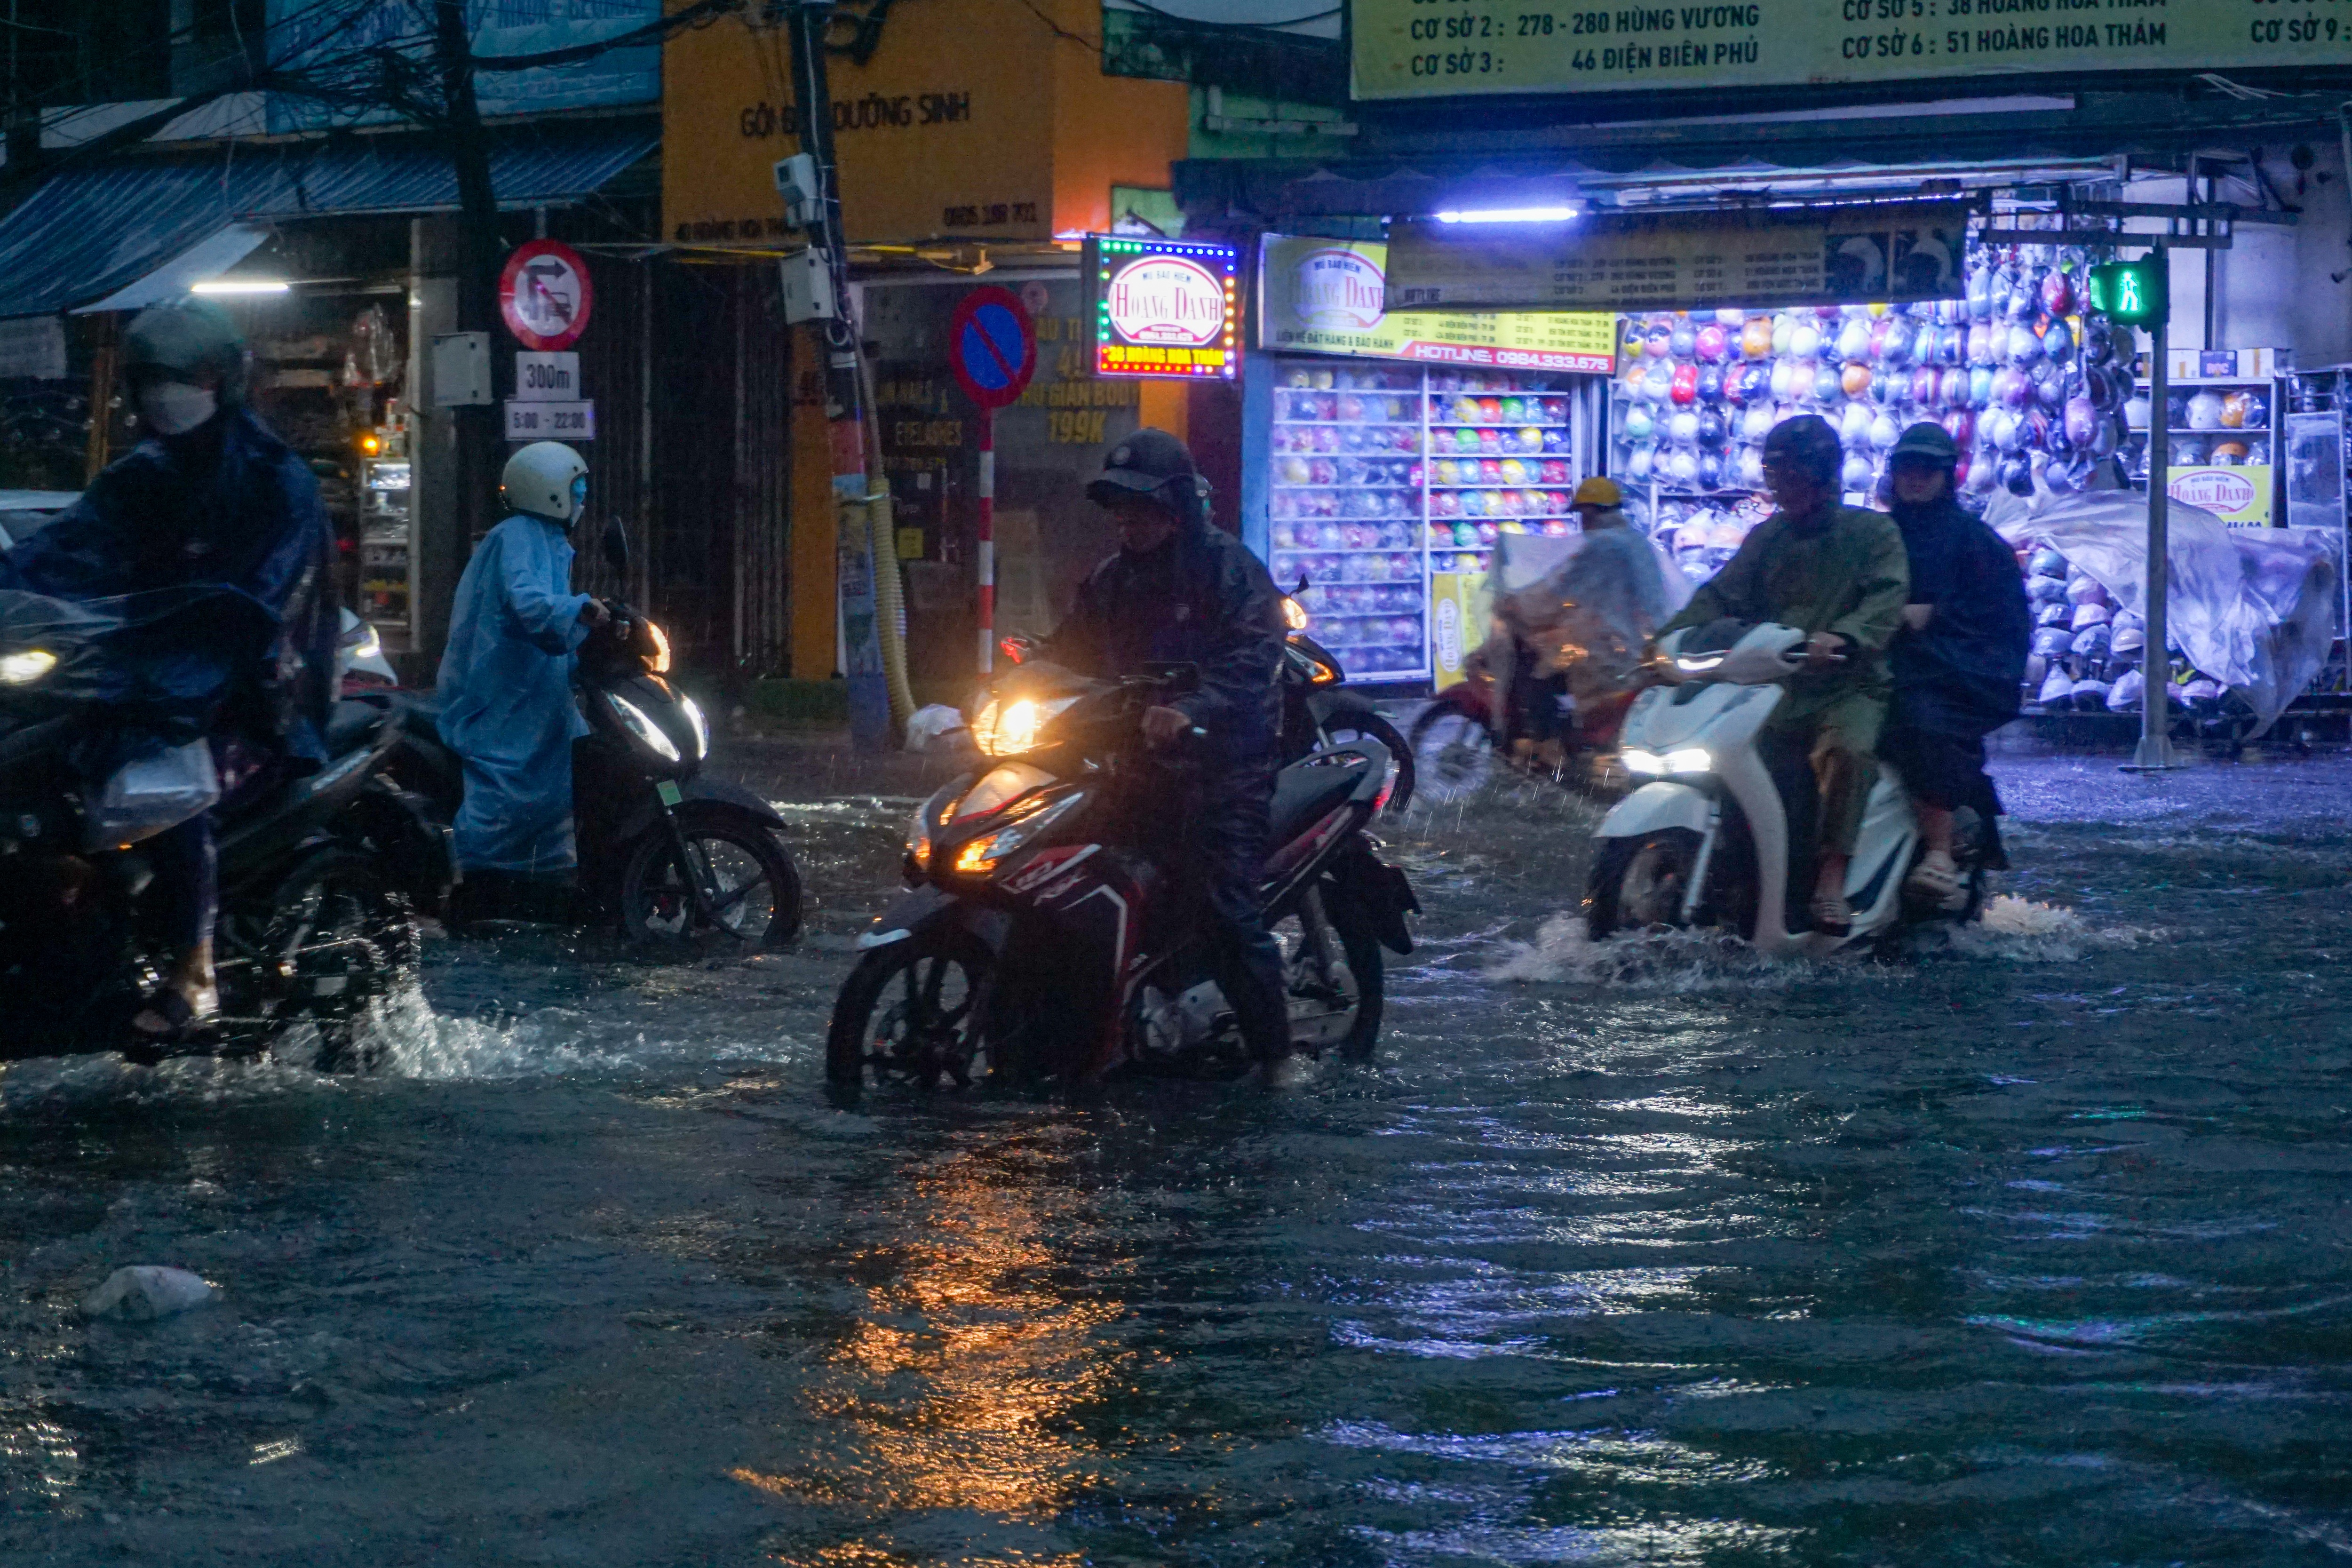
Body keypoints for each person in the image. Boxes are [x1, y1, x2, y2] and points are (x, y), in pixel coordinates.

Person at [1, 299, 333, 1038]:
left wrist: (199, 653)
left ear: (225, 378)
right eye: (149, 379)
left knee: (166, 787)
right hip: (139, 681)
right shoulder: (140, 477)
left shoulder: (280, 484)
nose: (164, 393)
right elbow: (59, 553)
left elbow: (268, 605)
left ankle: (195, 967)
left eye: (183, 377)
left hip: (251, 698)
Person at [1041, 429, 1293, 1083]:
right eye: (1119, 506)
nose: (1128, 519)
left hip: (1224, 770)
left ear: (1177, 507)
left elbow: (1254, 657)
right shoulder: (1110, 578)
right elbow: (1066, 651)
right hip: (1134, 766)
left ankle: (1278, 1059)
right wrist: (992, 692)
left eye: (1142, 506)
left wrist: (1194, 709)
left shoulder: (1228, 569)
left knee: (1228, 909)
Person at [1657, 415, 1910, 935]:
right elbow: (1718, 595)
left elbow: (1885, 600)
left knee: (1846, 754)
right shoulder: (1765, 538)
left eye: (1791, 476)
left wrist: (1842, 638)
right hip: (1769, 688)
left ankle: (1830, 881)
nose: (1780, 488)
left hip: (1846, 686)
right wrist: (1665, 641)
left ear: (1823, 477)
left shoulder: (1872, 533)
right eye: (1774, 476)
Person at [435, 441, 609, 919]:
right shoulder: (517, 536)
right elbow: (529, 603)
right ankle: (474, 885)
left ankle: (548, 886)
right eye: (577, 489)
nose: (582, 498)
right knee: (507, 791)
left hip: (534, 687)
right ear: (551, 492)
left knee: (560, 785)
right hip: (502, 693)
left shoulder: (548, 540)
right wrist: (582, 608)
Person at [1877, 422, 2031, 906]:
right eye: (1907, 468)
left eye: (1927, 469)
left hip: (1958, 670)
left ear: (1947, 476)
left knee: (1919, 718)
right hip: (1877, 659)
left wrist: (1935, 617)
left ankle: (1939, 850)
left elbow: (2001, 616)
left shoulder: (1975, 542)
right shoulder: (1876, 535)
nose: (1915, 478)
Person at [1497, 477, 1677, 772]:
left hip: (1613, 647)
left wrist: (1517, 603)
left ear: (1591, 512)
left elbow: (1559, 588)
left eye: (1582, 514)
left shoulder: (1603, 546)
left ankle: (1550, 747)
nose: (1582, 522)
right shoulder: (1634, 540)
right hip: (1639, 640)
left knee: (1536, 668)